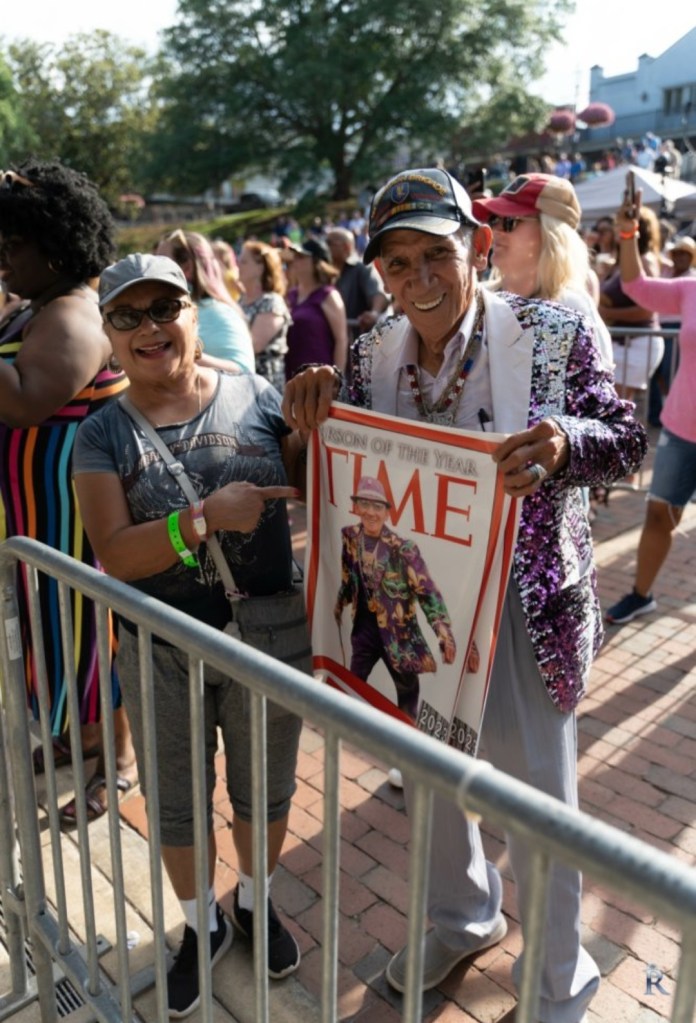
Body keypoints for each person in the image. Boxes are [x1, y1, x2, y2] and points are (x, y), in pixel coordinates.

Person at [283, 166, 647, 1023]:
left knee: (539, 806)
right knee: (430, 777)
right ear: (380, 273)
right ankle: (463, 917)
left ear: (478, 246)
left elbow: (625, 435)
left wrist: (564, 443)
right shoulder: (372, 349)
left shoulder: (552, 331)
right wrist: (313, 401)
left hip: (524, 608)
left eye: (436, 254)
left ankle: (558, 979)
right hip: (415, 610)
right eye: (398, 263)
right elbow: (341, 463)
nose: (420, 279)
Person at [72, 253, 306, 1017]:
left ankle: (255, 901)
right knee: (176, 801)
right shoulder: (101, 434)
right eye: (126, 315)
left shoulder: (254, 392)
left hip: (269, 634)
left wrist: (318, 417)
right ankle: (201, 922)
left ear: (192, 315)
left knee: (266, 788)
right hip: (161, 645)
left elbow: (310, 476)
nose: (149, 327)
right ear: (109, 334)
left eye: (164, 308)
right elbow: (114, 551)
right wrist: (201, 520)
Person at [0, 159, 137, 822]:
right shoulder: (39, 309)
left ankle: (118, 761)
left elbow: (26, 402)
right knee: (52, 637)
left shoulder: (76, 317)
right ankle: (72, 737)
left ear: (54, 246)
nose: (2, 257)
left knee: (89, 640)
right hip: (37, 521)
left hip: (74, 526)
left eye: (13, 244)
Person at [604, 201, 696, 625]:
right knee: (659, 514)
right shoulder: (690, 288)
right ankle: (641, 595)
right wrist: (628, 235)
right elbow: (637, 285)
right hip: (681, 428)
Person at [335, 476, 457, 721]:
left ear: (387, 513)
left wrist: (442, 630)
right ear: (356, 507)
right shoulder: (350, 537)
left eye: (377, 506)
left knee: (407, 695)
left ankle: (406, 738)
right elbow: (349, 577)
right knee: (352, 687)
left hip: (398, 637)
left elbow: (426, 590)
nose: (370, 512)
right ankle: (348, 731)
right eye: (364, 504)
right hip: (364, 631)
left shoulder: (403, 549)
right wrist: (338, 604)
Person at [471, 173, 613, 368]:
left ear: (550, 234)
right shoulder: (479, 297)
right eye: (494, 219)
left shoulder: (572, 307)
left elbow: (596, 384)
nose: (495, 231)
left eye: (510, 221)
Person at [156, 229, 255, 374]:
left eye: (161, 263)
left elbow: (244, 371)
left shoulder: (220, 313)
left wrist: (187, 354)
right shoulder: (170, 311)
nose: (153, 270)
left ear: (187, 267)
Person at [599, 204, 664, 403]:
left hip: (637, 344)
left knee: (615, 404)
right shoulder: (617, 263)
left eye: (622, 224)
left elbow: (648, 310)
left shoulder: (646, 261)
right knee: (611, 405)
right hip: (620, 343)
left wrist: (606, 313)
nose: (616, 229)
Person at [284, 237, 349, 380]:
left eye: (301, 257)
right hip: (292, 377)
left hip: (320, 378)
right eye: (295, 257)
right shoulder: (291, 295)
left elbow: (341, 340)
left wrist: (336, 379)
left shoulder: (328, 295)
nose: (295, 261)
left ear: (316, 262)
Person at [238, 240, 291, 391]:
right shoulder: (241, 301)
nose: (238, 265)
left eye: (244, 262)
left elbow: (255, 345)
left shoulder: (271, 302)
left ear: (260, 267)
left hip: (265, 387)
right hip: (243, 384)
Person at [326, 227, 390, 343]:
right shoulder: (325, 271)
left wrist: (374, 313)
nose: (325, 247)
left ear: (346, 247)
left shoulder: (362, 268)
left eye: (329, 243)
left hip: (357, 341)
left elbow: (378, 293)